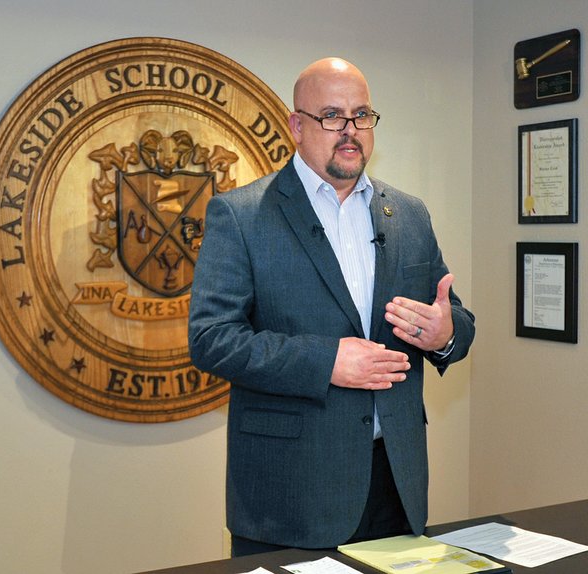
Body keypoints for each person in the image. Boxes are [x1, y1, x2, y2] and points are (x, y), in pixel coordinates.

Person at [187, 57, 476, 557]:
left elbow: (456, 320)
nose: (350, 131)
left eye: (362, 115)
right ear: (297, 126)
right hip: (291, 492)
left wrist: (444, 335)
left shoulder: (408, 213)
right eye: (332, 116)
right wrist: (327, 362)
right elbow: (212, 340)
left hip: (395, 483)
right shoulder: (240, 215)